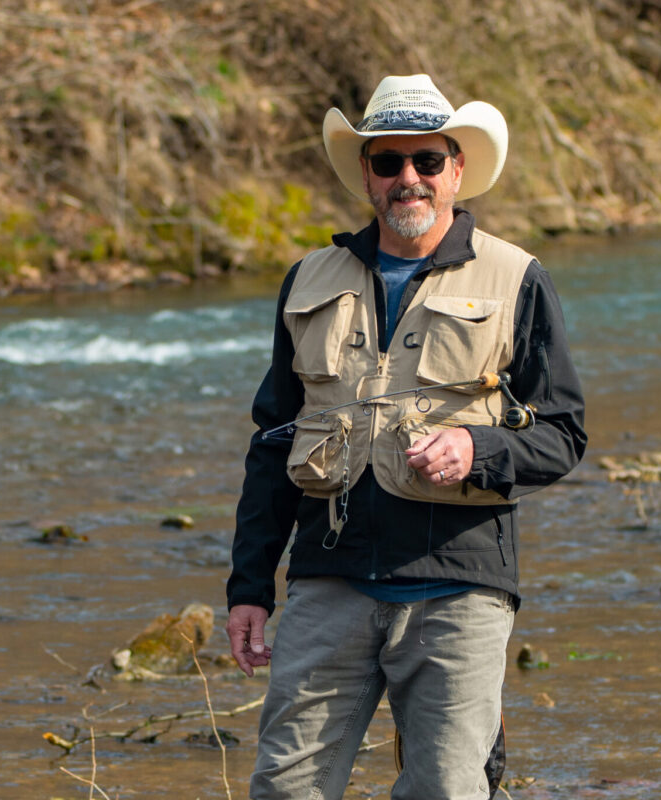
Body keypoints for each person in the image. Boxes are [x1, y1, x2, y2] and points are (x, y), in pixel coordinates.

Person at [224, 74, 586, 800]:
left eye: (426, 161)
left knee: (446, 790)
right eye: (388, 162)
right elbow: (274, 442)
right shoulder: (307, 280)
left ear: (456, 169)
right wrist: (250, 586)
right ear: (366, 173)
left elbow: (563, 432)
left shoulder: (517, 276)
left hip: (459, 586)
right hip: (329, 577)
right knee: (284, 788)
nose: (408, 179)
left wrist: (476, 450)